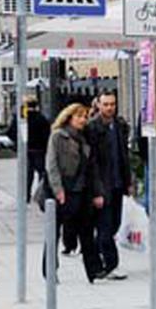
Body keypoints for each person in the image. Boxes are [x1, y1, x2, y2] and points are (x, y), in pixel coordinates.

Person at [45, 103, 103, 282]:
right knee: (53, 233)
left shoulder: (85, 137)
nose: (83, 120)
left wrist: (97, 192)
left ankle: (93, 270)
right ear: (69, 117)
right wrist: (58, 190)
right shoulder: (58, 136)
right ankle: (50, 271)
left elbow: (92, 168)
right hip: (62, 190)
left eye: (85, 116)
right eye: (79, 116)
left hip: (82, 190)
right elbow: (51, 165)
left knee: (87, 231)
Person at [85, 91, 131, 280]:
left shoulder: (118, 125)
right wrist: (95, 190)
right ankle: (111, 264)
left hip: (117, 183)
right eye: (106, 104)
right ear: (98, 105)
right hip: (102, 185)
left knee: (114, 225)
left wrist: (128, 181)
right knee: (105, 228)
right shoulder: (92, 127)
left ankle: (93, 259)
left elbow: (123, 156)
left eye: (112, 104)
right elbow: (91, 162)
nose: (109, 108)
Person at [6, 97, 51, 202]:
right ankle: (41, 195)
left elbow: (9, 132)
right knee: (42, 173)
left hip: (25, 150)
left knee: (27, 174)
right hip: (39, 150)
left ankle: (26, 196)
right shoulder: (41, 118)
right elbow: (47, 135)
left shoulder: (21, 119)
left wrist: (19, 142)